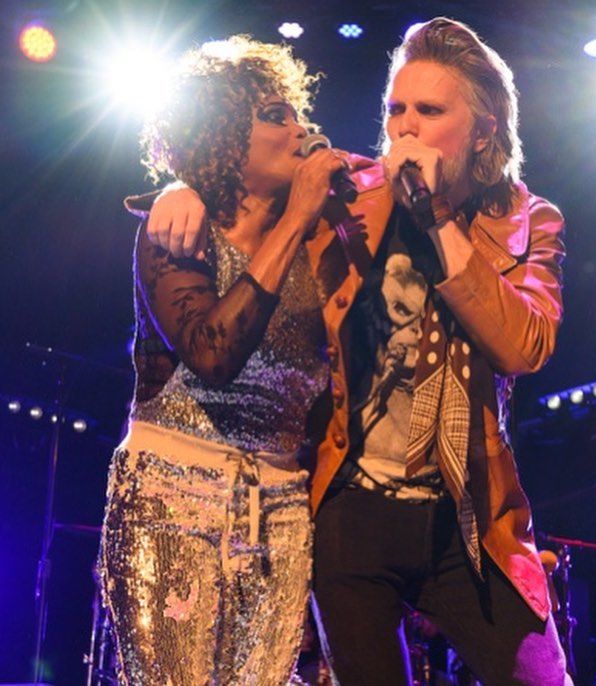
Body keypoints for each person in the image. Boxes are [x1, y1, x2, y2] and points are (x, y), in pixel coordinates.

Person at [141, 18, 571, 685]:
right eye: (396, 110)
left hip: (468, 517)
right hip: (350, 506)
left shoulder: (530, 221)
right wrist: (181, 188)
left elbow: (523, 345)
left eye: (430, 111)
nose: (406, 128)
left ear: (483, 132)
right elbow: (243, 173)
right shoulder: (352, 191)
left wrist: (434, 216)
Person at [99, 36, 350, 685]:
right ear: (222, 133)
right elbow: (212, 354)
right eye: (274, 115)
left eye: (297, 113)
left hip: (280, 506)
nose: (299, 129)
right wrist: (289, 219)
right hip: (172, 496)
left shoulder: (324, 240)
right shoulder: (179, 228)